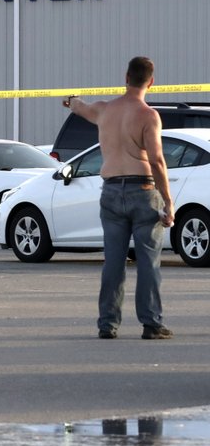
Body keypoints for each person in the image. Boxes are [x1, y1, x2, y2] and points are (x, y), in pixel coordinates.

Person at [63, 56, 174, 340]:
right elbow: (157, 160)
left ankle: (107, 324)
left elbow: (80, 107)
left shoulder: (104, 110)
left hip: (111, 190)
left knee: (113, 261)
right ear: (151, 82)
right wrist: (168, 201)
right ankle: (151, 324)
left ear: (126, 78)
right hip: (143, 191)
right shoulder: (148, 116)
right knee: (148, 262)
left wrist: (72, 101)